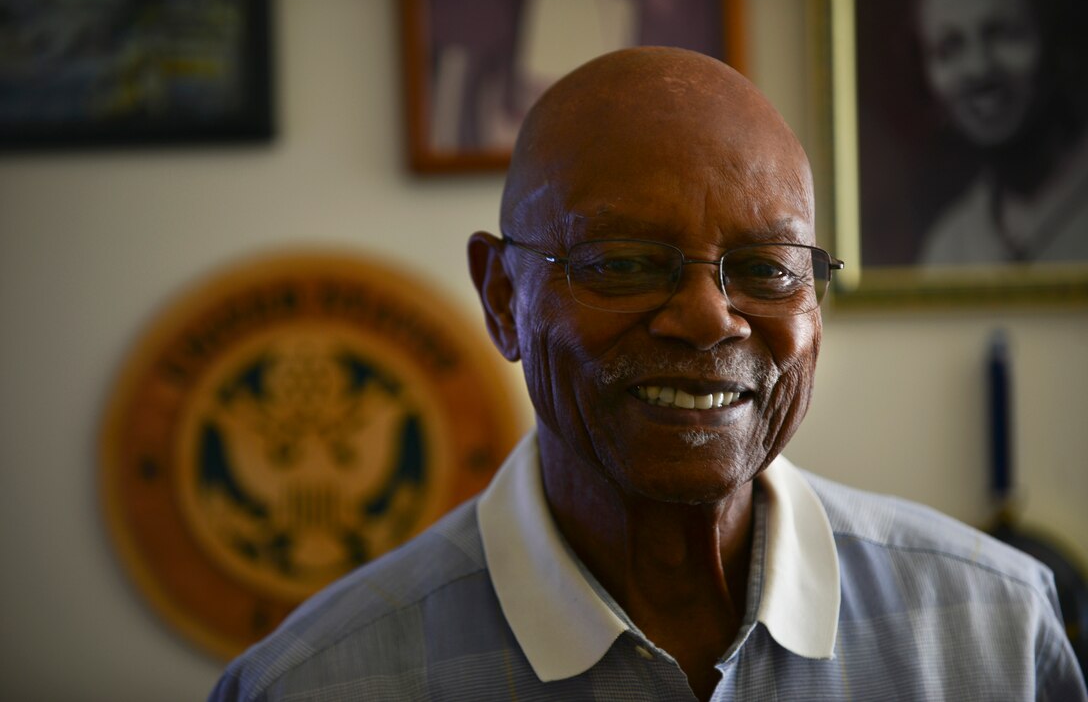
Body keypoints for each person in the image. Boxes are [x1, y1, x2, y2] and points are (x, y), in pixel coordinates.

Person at [209, 47, 1086, 700]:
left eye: (769, 267)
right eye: (623, 261)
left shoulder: (993, 630)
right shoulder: (317, 682)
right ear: (503, 298)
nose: (709, 317)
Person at [913, 0, 1088, 264]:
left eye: (1004, 35)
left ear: (1056, 42)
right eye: (950, 47)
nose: (979, 68)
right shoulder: (948, 248)